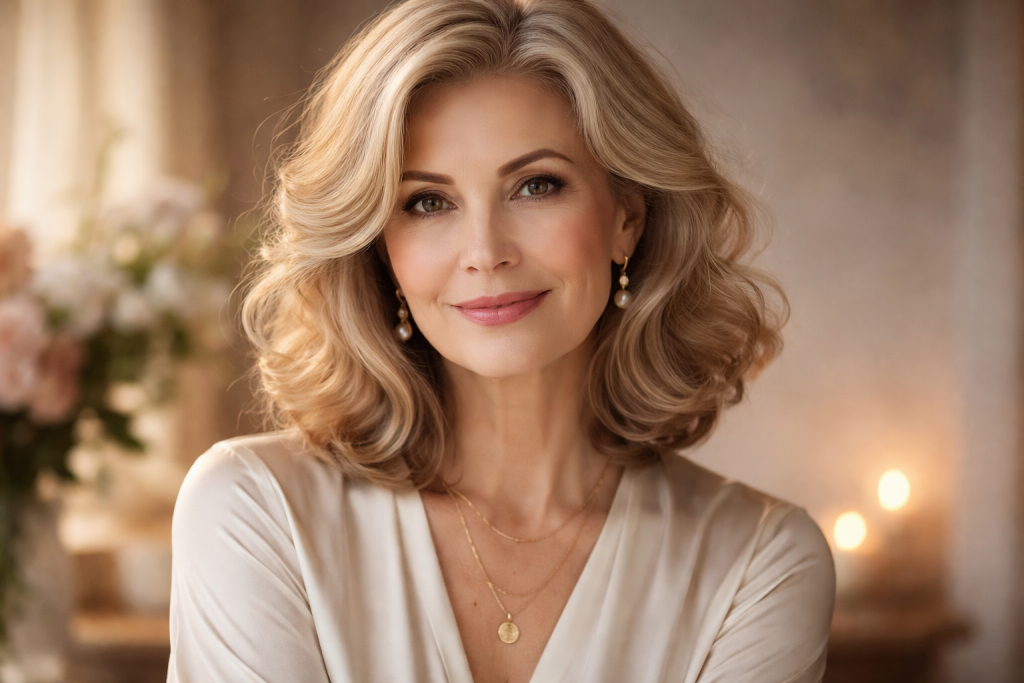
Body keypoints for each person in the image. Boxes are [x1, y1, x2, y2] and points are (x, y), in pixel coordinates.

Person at [166, 0, 835, 681]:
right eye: (427, 201)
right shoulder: (254, 512)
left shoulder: (759, 562)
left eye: (536, 185)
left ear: (626, 218)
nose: (484, 252)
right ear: (378, 246)